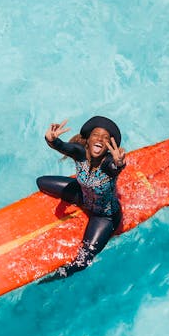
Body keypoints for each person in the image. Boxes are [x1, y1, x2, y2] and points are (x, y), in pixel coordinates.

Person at [37, 115, 126, 282]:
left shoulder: (108, 163)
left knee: (82, 260)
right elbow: (63, 146)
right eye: (96, 135)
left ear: (108, 146)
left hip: (104, 215)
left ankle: (53, 279)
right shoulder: (80, 153)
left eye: (105, 137)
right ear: (88, 140)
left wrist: (119, 164)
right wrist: (51, 140)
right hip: (82, 195)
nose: (100, 139)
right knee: (41, 182)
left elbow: (115, 168)